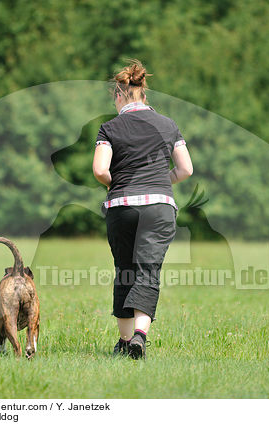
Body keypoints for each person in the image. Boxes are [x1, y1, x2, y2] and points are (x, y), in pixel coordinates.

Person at [92, 59, 193, 359]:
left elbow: (100, 170)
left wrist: (116, 183)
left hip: (122, 206)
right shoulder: (168, 124)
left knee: (125, 269)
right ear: (144, 94)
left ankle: (123, 344)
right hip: (159, 207)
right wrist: (164, 181)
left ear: (119, 96)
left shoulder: (109, 127)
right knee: (148, 271)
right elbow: (186, 168)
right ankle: (139, 336)